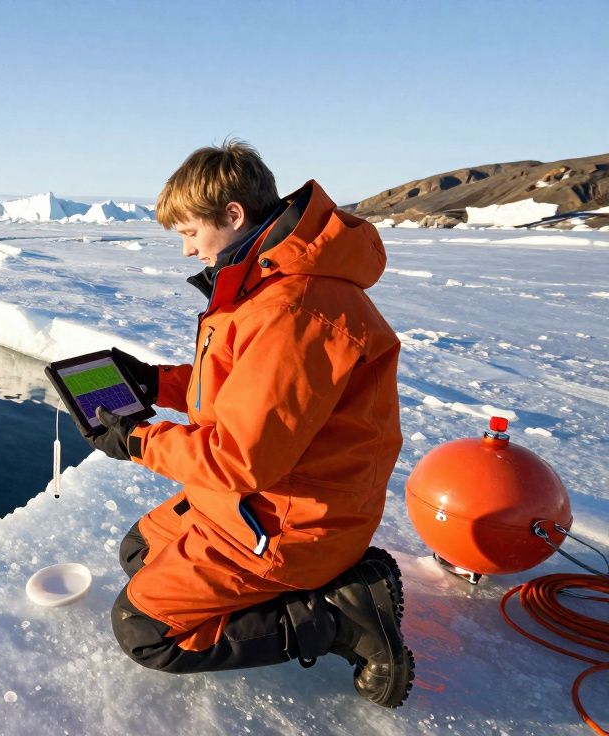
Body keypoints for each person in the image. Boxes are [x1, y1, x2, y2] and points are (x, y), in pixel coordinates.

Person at [82, 139, 412, 707]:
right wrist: (154, 383)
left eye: (189, 233)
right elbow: (241, 389)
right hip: (257, 501)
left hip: (290, 520)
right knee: (140, 549)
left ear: (233, 216)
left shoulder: (297, 309)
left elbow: (242, 456)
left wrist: (135, 440)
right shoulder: (263, 288)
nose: (186, 251)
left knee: (144, 631)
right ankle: (322, 591)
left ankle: (341, 617)